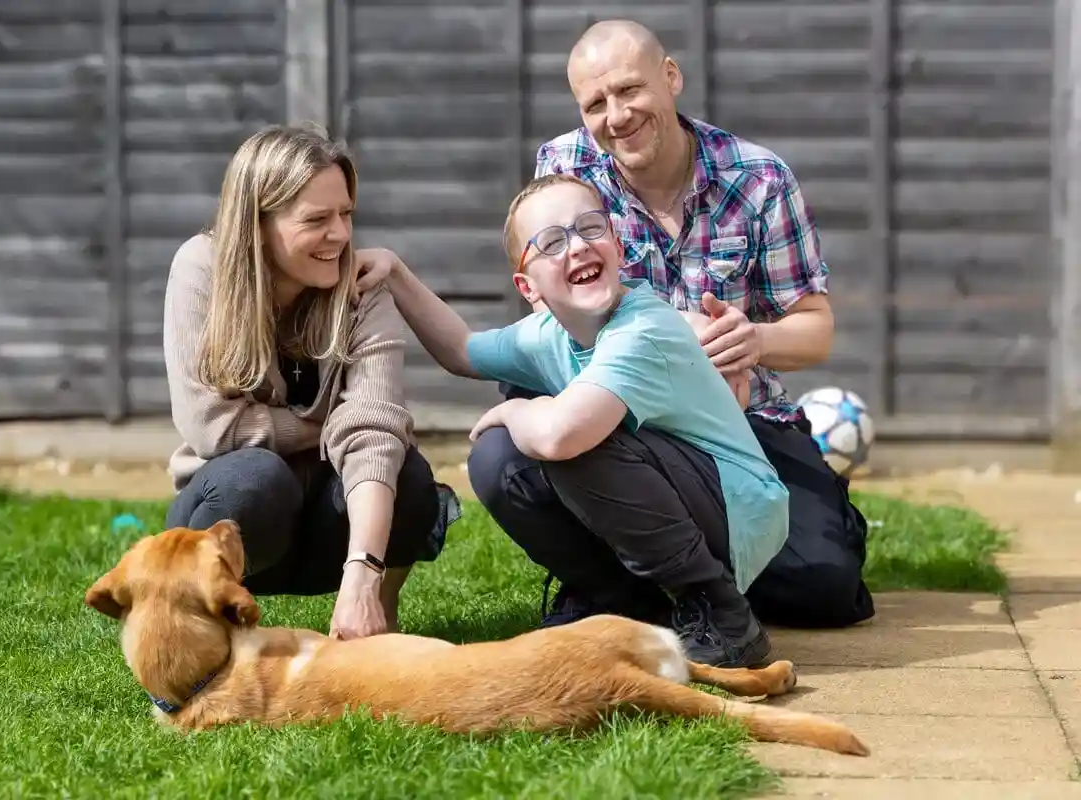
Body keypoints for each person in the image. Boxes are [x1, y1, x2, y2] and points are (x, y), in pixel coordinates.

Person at [504, 19, 874, 630]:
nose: (616, 116)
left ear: (671, 77)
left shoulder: (760, 179)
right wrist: (675, 337)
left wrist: (753, 340)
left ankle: (669, 575)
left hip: (744, 420)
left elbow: (816, 328)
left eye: (630, 90)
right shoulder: (564, 167)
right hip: (619, 408)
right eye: (595, 103)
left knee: (826, 590)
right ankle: (621, 588)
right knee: (511, 459)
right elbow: (550, 309)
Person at [356, 172, 790, 668]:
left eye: (590, 228)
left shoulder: (642, 329)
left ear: (619, 247)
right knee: (496, 459)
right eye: (552, 242)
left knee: (563, 438)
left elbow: (562, 435)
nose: (578, 247)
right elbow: (461, 350)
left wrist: (519, 408)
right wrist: (394, 272)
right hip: (678, 495)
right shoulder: (549, 334)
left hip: (738, 511)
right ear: (528, 285)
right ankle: (618, 600)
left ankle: (723, 615)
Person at [161, 123, 458, 642]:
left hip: (330, 523)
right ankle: (203, 628)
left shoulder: (363, 287)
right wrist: (322, 423)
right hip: (240, 516)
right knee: (256, 477)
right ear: (257, 225)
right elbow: (213, 428)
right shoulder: (200, 269)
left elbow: (373, 430)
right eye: (317, 219)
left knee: (404, 473)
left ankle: (374, 614)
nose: (341, 235)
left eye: (346, 214)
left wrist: (362, 571)